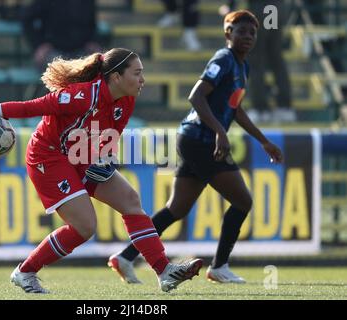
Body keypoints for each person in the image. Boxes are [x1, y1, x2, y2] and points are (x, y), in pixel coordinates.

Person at [0, 48, 203, 294]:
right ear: (116, 77)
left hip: (81, 154)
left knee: (131, 201)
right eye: (137, 73)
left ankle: (164, 271)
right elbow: (33, 107)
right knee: (85, 226)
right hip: (48, 157)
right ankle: (25, 272)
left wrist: (103, 157)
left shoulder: (127, 99)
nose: (143, 79)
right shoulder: (82, 95)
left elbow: (111, 135)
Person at [108, 11, 284, 284]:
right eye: (241, 31)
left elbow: (235, 109)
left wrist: (263, 140)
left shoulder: (243, 66)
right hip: (200, 139)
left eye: (252, 32)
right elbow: (196, 95)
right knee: (243, 201)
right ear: (228, 33)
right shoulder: (224, 59)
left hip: (195, 139)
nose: (247, 36)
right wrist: (219, 132)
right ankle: (220, 266)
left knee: (176, 208)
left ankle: (126, 256)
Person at [221, 0, 295, 123]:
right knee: (276, 57)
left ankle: (260, 108)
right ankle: (285, 107)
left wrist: (230, 6)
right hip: (275, 8)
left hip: (260, 8)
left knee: (255, 59)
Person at [21, 0, 103, 72]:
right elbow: (27, 19)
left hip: (81, 50)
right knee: (61, 72)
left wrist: (94, 41)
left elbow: (92, 24)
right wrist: (39, 45)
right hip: (53, 51)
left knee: (96, 65)